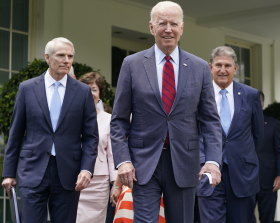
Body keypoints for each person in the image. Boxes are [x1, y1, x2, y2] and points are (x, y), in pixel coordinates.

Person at [110, 1, 222, 222]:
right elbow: (119, 121)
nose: (168, 29)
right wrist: (123, 161)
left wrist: (213, 160)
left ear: (182, 28)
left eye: (174, 23)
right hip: (143, 164)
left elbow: (210, 120)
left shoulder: (199, 67)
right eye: (162, 23)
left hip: (185, 162)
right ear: (152, 28)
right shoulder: (131, 64)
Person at [1, 37, 98, 223]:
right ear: (47, 57)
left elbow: (90, 136)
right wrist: (9, 172)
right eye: (61, 55)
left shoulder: (82, 92)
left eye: (70, 56)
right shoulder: (27, 88)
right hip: (32, 169)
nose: (66, 60)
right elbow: (15, 133)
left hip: (68, 172)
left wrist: (87, 169)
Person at [197, 46, 264, 223]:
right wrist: (201, 161)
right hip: (208, 172)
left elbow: (258, 135)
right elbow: (192, 133)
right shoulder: (197, 94)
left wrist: (243, 156)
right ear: (210, 67)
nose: (223, 70)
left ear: (236, 68)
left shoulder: (251, 95)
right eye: (218, 65)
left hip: (243, 174)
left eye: (228, 65)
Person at [77, 72, 116, 222]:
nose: (89, 93)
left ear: (100, 94)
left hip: (98, 184)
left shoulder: (109, 120)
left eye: (93, 89)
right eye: (85, 89)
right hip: (73, 180)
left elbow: (112, 154)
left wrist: (115, 183)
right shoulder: (70, 117)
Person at [253, 91, 280, 223]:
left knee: (267, 218)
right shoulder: (240, 123)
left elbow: (279, 151)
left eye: (258, 100)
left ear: (262, 103)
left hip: (268, 180)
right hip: (244, 180)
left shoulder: (273, 124)